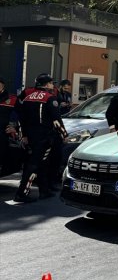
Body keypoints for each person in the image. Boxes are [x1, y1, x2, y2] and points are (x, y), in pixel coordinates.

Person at [15, 74, 68, 202]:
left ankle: (44, 191)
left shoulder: (28, 97)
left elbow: (21, 119)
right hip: (44, 137)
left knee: (42, 163)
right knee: (34, 165)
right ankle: (21, 194)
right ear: (46, 84)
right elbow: (57, 121)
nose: (52, 85)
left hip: (30, 136)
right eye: (51, 83)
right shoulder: (50, 98)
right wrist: (64, 135)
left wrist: (24, 136)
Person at [0, 78, 19, 175]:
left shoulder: (12, 99)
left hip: (4, 135)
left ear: (3, 85)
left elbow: (21, 116)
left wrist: (14, 127)